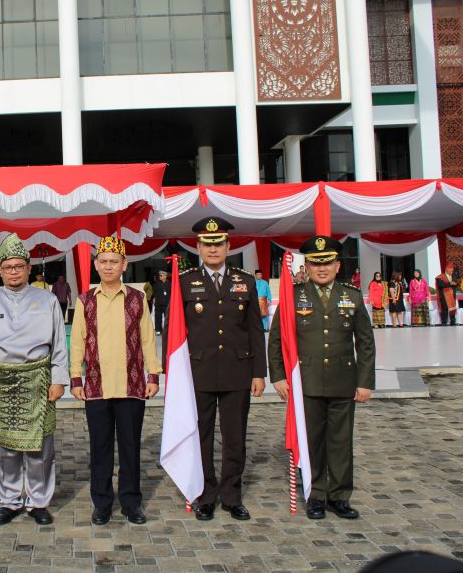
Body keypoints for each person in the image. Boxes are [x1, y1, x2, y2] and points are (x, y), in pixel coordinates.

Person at [268, 236, 375, 520]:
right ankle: (315, 495)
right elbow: (276, 339)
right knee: (312, 441)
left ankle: (339, 496)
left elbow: (365, 342)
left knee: (341, 442)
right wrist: (278, 377)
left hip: (343, 381)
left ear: (338, 265)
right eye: (316, 263)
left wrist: (365, 382)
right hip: (307, 381)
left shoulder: (351, 296)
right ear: (308, 265)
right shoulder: (294, 296)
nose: (322, 268)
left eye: (327, 262)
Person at [0, 233, 68, 526]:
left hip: (39, 379)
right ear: (0, 270)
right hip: (1, 381)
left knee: (41, 447)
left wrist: (58, 378)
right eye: (8, 266)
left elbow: (59, 343)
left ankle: (39, 502)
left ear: (28, 268)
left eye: (18, 266)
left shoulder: (47, 299)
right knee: (6, 449)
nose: (13, 271)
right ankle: (10, 501)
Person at [69, 236, 162, 526]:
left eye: (114, 262)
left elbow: (147, 338)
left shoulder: (137, 298)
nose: (108, 266)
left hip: (132, 384)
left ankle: (131, 502)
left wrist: (153, 375)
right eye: (103, 261)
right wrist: (75, 378)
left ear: (124, 265)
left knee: (130, 447)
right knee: (100, 449)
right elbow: (78, 342)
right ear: (96, 265)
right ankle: (102, 503)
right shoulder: (85, 300)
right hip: (96, 386)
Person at [178, 217, 265, 522]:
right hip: (198, 370)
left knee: (234, 436)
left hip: (237, 370)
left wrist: (259, 372)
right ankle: (206, 494)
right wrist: (173, 373)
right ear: (198, 247)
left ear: (228, 247)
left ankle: (231, 495)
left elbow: (255, 329)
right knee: (200, 435)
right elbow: (175, 330)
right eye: (207, 244)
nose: (212, 249)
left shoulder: (246, 281)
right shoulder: (184, 282)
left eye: (218, 244)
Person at [152, 269, 170, 335]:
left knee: (167, 317)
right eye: (159, 275)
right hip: (158, 303)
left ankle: (167, 329)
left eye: (161, 275)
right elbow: (154, 292)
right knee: (158, 316)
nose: (160, 276)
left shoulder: (169, 283)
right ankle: (158, 329)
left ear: (165, 276)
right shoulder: (157, 283)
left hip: (166, 302)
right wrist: (154, 298)